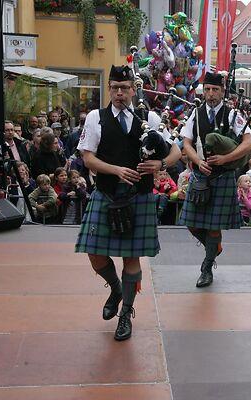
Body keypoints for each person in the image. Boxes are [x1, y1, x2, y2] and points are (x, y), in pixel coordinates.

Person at [75, 64, 180, 341]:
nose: (119, 93)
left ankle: (126, 315)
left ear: (134, 89)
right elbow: (88, 158)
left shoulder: (151, 119)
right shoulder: (96, 118)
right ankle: (116, 288)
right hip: (107, 193)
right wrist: (116, 170)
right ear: (109, 89)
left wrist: (160, 164)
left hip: (139, 197)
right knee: (95, 254)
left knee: (131, 259)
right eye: (114, 88)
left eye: (124, 88)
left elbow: (176, 151)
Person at [178, 71, 251, 288]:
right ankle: (214, 247)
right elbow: (187, 143)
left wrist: (225, 158)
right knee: (191, 224)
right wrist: (197, 161)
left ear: (222, 92)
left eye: (215, 90)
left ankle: (207, 266)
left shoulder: (232, 115)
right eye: (208, 89)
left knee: (213, 228)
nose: (211, 94)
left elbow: (248, 143)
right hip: (200, 174)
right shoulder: (195, 113)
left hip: (222, 175)